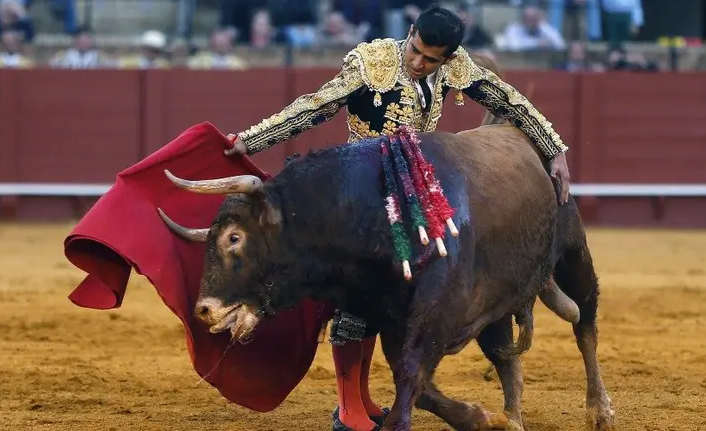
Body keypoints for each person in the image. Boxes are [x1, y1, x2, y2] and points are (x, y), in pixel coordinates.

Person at [223, 5, 571, 431]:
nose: (419, 62)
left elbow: (509, 101)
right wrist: (252, 141)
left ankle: (366, 398)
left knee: (392, 300)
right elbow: (313, 107)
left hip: (414, 199)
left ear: (449, 57)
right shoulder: (372, 62)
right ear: (410, 32)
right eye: (416, 50)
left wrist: (553, 150)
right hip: (361, 198)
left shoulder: (457, 67)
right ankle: (348, 406)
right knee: (355, 299)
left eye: (432, 59)